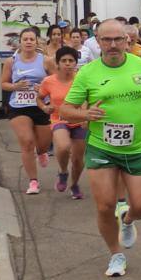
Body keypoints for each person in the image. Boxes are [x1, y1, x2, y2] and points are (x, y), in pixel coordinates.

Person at [60, 19, 141, 277]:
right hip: (101, 148)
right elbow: (65, 109)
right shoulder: (87, 73)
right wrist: (86, 114)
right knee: (104, 205)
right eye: (106, 40)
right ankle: (115, 254)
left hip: (137, 147)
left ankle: (129, 219)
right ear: (97, 42)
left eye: (117, 40)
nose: (112, 45)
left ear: (127, 41)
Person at [1, 26, 55, 195]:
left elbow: (56, 80)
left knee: (43, 143)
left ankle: (42, 152)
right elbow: (4, 83)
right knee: (26, 141)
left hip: (41, 105)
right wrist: (15, 86)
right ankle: (33, 181)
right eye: (25, 39)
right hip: (19, 106)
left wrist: (44, 85)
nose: (29, 42)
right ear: (20, 42)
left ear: (37, 41)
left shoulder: (45, 60)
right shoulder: (12, 61)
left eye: (32, 39)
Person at [37, 46, 85, 199]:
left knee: (78, 159)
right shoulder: (49, 81)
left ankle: (75, 184)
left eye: (71, 60)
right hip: (59, 119)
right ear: (57, 63)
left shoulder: (82, 79)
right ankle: (63, 172)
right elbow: (39, 97)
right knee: (63, 147)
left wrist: (85, 114)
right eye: (64, 60)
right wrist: (45, 107)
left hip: (79, 120)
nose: (68, 63)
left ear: (76, 63)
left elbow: (89, 98)